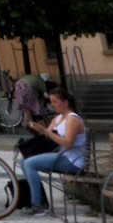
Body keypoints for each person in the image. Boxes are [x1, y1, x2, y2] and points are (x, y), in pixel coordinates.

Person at [19, 86, 88, 216]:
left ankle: (37, 204)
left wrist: (46, 131)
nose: (53, 105)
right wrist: (38, 130)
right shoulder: (58, 118)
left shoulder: (72, 119)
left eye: (55, 102)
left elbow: (68, 143)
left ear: (65, 102)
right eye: (51, 102)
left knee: (29, 163)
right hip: (60, 155)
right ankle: (41, 201)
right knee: (24, 160)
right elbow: (48, 137)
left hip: (72, 160)